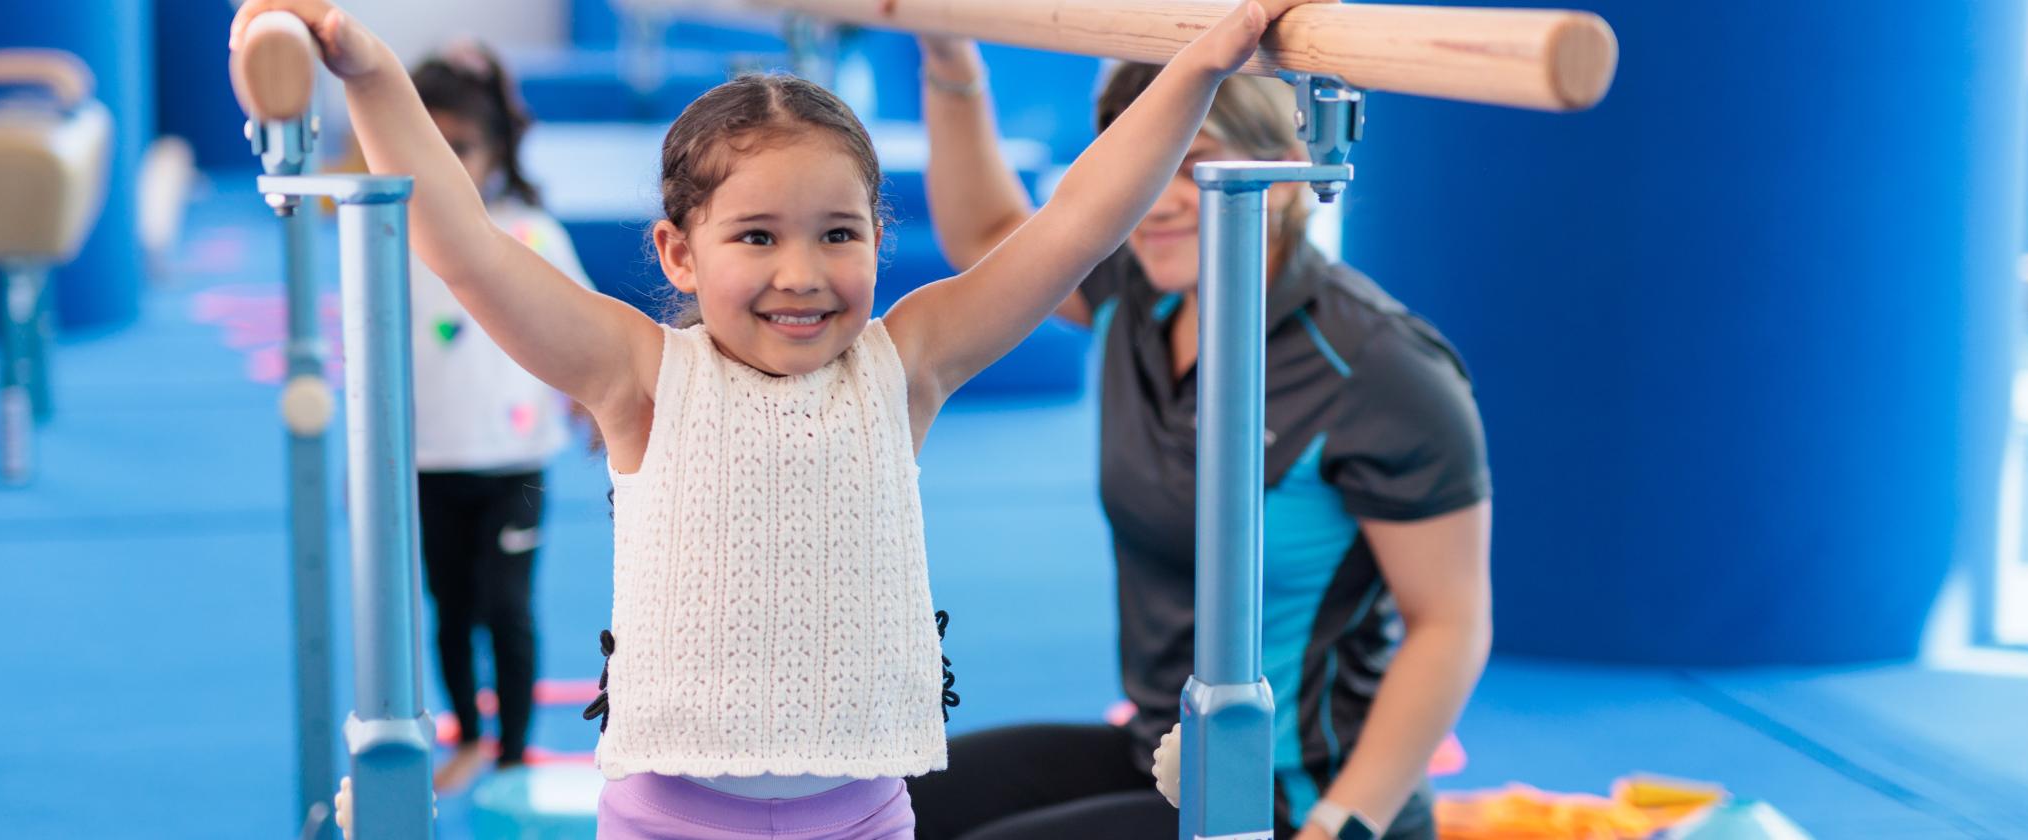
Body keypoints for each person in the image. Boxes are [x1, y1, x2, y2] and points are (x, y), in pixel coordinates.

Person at [229, 1, 1308, 835]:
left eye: (840, 233)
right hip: (675, 820)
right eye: (756, 238)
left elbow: (1077, 223)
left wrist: (1202, 65)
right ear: (677, 254)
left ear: (880, 240)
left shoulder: (905, 363)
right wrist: (365, 65)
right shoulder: (640, 375)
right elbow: (462, 241)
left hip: (866, 815)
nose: (804, 274)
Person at [903, 32, 1496, 840]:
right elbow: (988, 238)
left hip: (1295, 796)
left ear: (1284, 163)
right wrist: (950, 60)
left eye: (1196, 162)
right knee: (892, 811)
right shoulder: (1133, 290)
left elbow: (1448, 623)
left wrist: (1342, 826)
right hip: (1161, 753)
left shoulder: (1381, 368)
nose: (1161, 201)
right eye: (1150, 166)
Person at [396, 42, 592, 792]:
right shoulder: (396, 232)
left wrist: (588, 400)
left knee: (506, 608)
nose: (447, 163)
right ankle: (470, 738)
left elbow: (580, 328)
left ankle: (512, 755)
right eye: (431, 146)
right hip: (428, 459)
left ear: (497, 149)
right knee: (448, 607)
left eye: (463, 148)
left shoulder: (530, 232)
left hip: (514, 460)